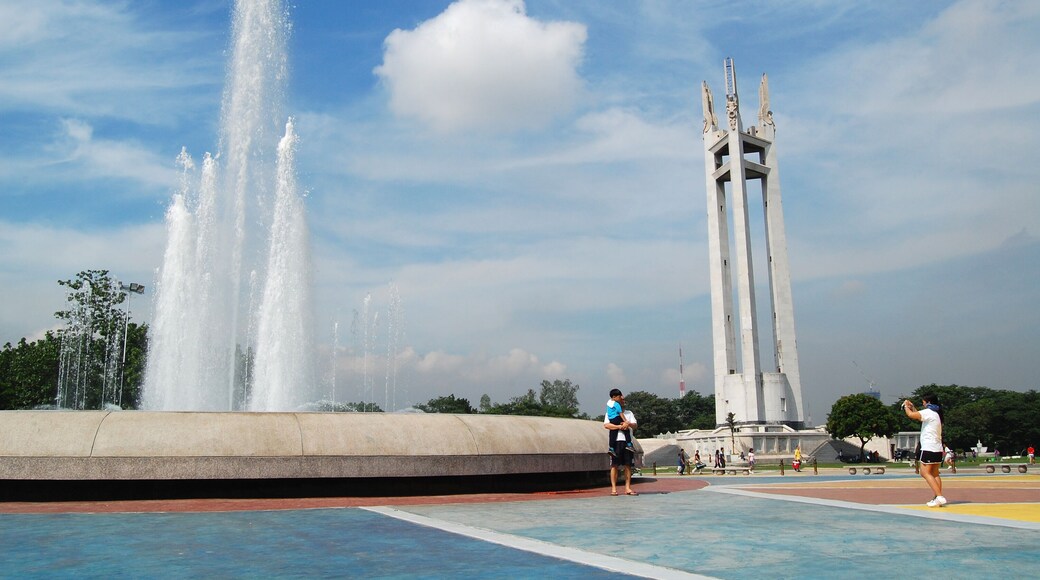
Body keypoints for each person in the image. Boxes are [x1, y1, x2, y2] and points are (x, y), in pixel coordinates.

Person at [904, 393, 947, 507]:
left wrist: (906, 407)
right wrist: (912, 407)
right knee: (935, 473)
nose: (922, 403)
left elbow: (911, 415)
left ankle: (939, 496)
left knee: (925, 473)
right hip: (937, 448)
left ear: (927, 402)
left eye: (923, 401)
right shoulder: (936, 413)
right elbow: (919, 415)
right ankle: (937, 497)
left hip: (929, 447)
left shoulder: (928, 412)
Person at [604, 393, 638, 496]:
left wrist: (628, 424)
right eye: (620, 400)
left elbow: (635, 425)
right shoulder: (610, 412)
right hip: (616, 442)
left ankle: (627, 488)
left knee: (628, 465)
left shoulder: (629, 413)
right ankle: (614, 489)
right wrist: (619, 426)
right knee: (614, 465)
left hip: (627, 443)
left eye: (623, 401)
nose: (622, 402)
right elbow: (606, 425)